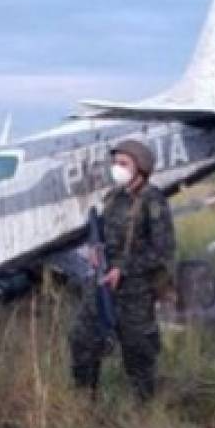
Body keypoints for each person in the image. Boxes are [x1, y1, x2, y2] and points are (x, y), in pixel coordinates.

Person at [69, 140, 175, 402]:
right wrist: (94, 249)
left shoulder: (153, 200)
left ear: (140, 167)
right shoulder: (113, 197)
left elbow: (163, 250)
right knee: (82, 339)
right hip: (102, 281)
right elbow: (103, 235)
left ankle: (144, 406)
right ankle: (85, 398)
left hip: (135, 289)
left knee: (138, 349)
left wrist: (122, 269)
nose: (117, 168)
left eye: (123, 163)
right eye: (115, 163)